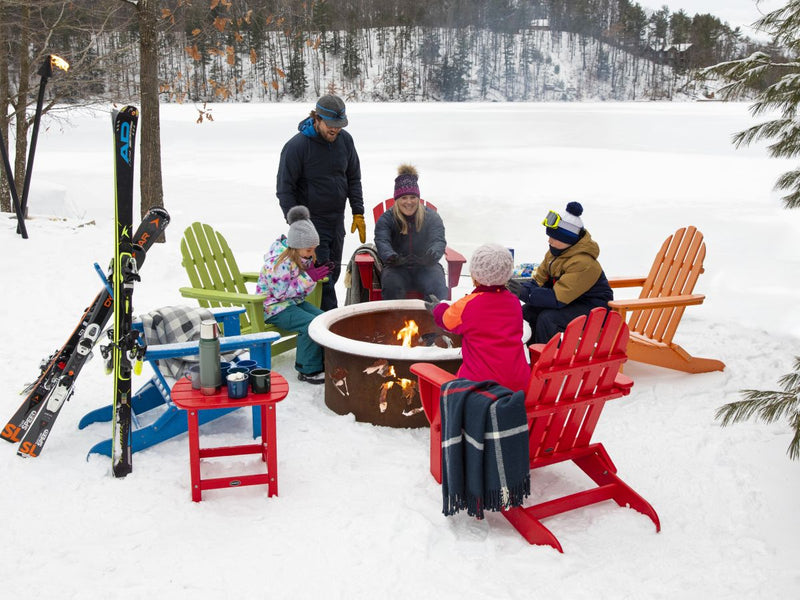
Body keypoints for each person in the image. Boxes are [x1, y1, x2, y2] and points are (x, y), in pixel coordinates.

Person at [276, 94, 365, 311]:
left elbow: (353, 178)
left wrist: (358, 212)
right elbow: (284, 190)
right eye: (330, 125)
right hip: (312, 226)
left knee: (331, 275)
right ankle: (327, 333)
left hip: (337, 221)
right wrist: (298, 225)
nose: (335, 130)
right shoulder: (297, 147)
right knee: (321, 282)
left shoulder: (345, 141)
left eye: (339, 125)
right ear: (317, 118)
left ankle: (319, 327)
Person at [426, 243, 530, 392]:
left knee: (457, 379)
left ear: (475, 275)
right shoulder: (513, 302)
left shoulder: (468, 305)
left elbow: (446, 320)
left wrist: (437, 308)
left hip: (480, 387)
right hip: (518, 382)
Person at [506, 202, 613, 344]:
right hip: (569, 301)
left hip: (592, 308)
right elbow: (539, 281)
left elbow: (558, 298)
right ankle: (530, 353)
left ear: (568, 239)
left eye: (554, 238)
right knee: (526, 312)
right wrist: (518, 287)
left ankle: (546, 360)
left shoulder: (583, 263)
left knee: (548, 318)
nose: (549, 241)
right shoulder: (554, 253)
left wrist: (526, 293)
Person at [256, 206, 331, 384]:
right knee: (310, 325)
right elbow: (281, 293)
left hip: (292, 303)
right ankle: (307, 369)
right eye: (309, 250)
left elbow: (301, 290)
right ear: (296, 246)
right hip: (274, 308)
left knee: (323, 319)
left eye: (314, 249)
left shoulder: (301, 258)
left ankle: (323, 361)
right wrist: (308, 278)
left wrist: (312, 277)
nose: (312, 253)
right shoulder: (279, 262)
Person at [374, 164, 448, 300]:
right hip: (397, 267)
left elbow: (438, 240)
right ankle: (395, 320)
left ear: (418, 198)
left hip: (426, 266)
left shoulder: (431, 217)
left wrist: (432, 255)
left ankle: (434, 320)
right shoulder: (386, 219)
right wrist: (391, 257)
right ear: (397, 199)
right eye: (404, 198)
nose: (409, 202)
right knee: (391, 285)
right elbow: (382, 240)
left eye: (413, 197)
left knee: (437, 283)